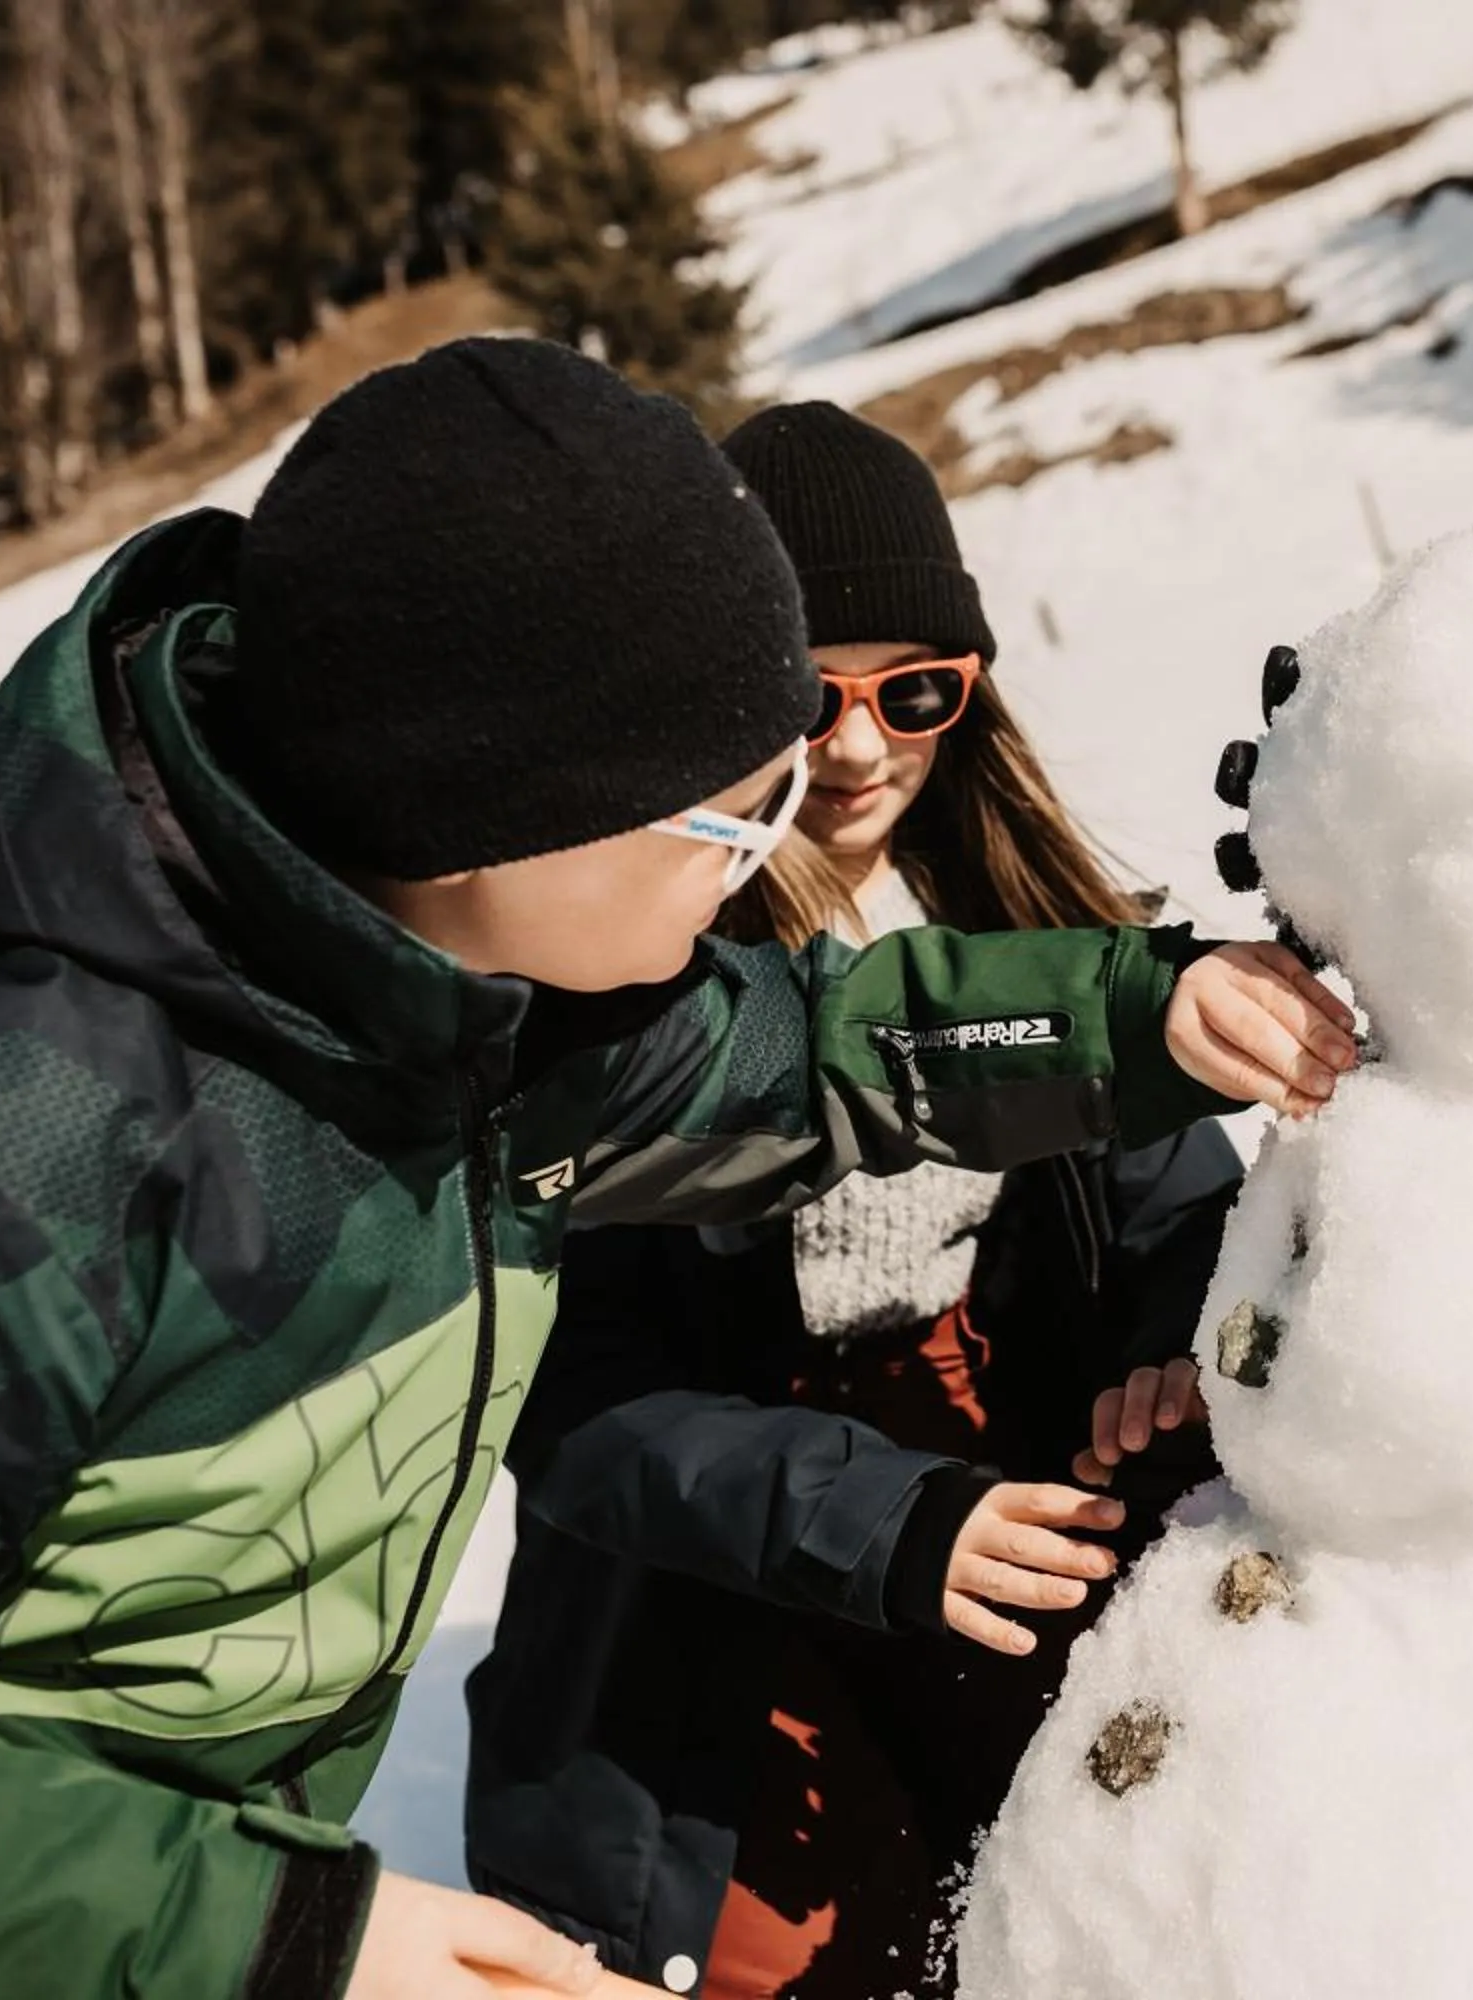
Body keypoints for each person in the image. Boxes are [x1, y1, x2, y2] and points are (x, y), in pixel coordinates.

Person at [0, 339, 1356, 2000]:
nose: (790, 837)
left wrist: (1142, 1008)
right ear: (505, 809)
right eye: (739, 811)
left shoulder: (472, 1004)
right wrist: (278, 1933)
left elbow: (825, 1051)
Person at [463, 404, 1239, 2000]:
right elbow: (578, 1400)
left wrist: (1174, 1344)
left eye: (918, 690)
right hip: (716, 1557)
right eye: (806, 693)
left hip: (1006, 1506)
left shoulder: (1048, 918)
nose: (864, 744)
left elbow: (1178, 1220)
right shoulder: (622, 953)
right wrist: (879, 1518)